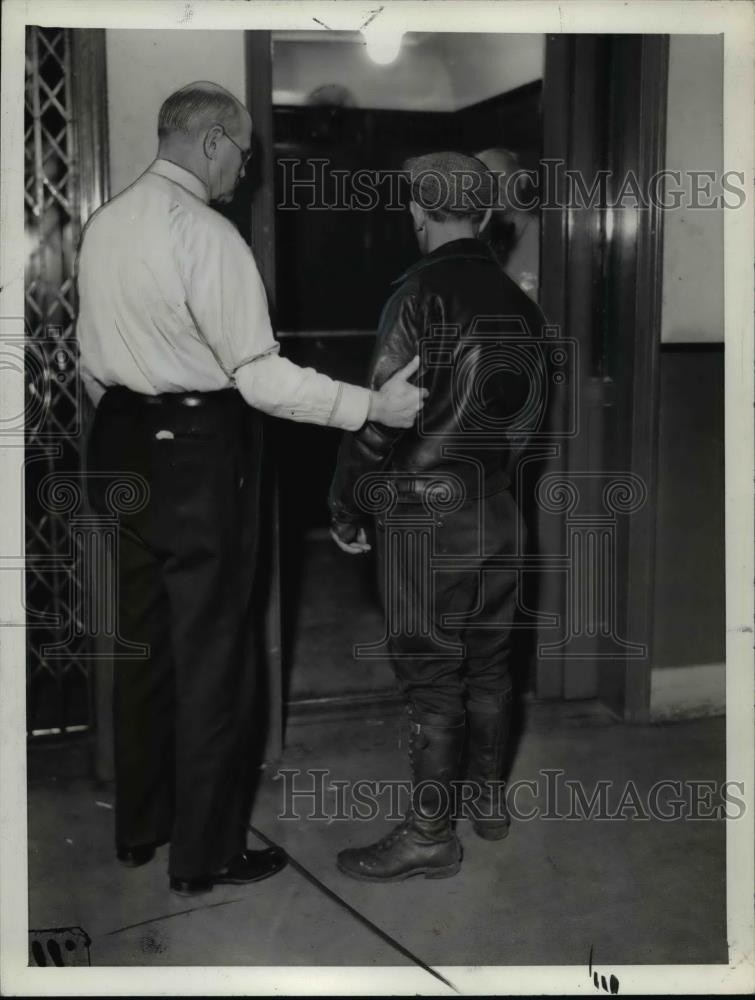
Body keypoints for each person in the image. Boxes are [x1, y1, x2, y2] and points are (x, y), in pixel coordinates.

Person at [76, 81, 426, 897]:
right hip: (200, 454)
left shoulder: (104, 224)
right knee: (214, 659)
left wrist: (140, 417)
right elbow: (260, 380)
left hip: (121, 445)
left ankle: (141, 830)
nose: (245, 168)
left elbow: (91, 364)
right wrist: (374, 405)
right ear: (208, 144)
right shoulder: (208, 234)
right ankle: (206, 855)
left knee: (143, 647)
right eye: (241, 153)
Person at [328, 151, 546, 882]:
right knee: (489, 669)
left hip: (426, 524)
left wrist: (346, 502)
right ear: (484, 215)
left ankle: (429, 832)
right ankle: (486, 803)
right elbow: (528, 428)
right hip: (500, 517)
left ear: (417, 213)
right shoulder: (520, 305)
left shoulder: (416, 297)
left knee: (430, 680)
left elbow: (381, 416)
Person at [476, 147, 540, 302]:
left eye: (503, 178)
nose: (496, 187)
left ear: (522, 181)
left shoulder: (545, 234)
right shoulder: (473, 238)